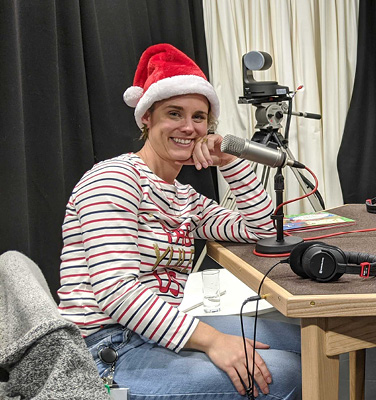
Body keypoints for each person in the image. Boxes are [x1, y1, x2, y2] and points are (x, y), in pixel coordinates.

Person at [57, 43, 302, 399]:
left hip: (148, 333)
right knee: (285, 373)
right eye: (174, 113)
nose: (188, 127)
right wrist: (214, 341)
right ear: (147, 118)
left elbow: (262, 231)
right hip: (105, 350)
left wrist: (230, 163)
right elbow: (116, 292)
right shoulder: (114, 179)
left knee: (305, 340)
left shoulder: (181, 195)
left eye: (199, 117)